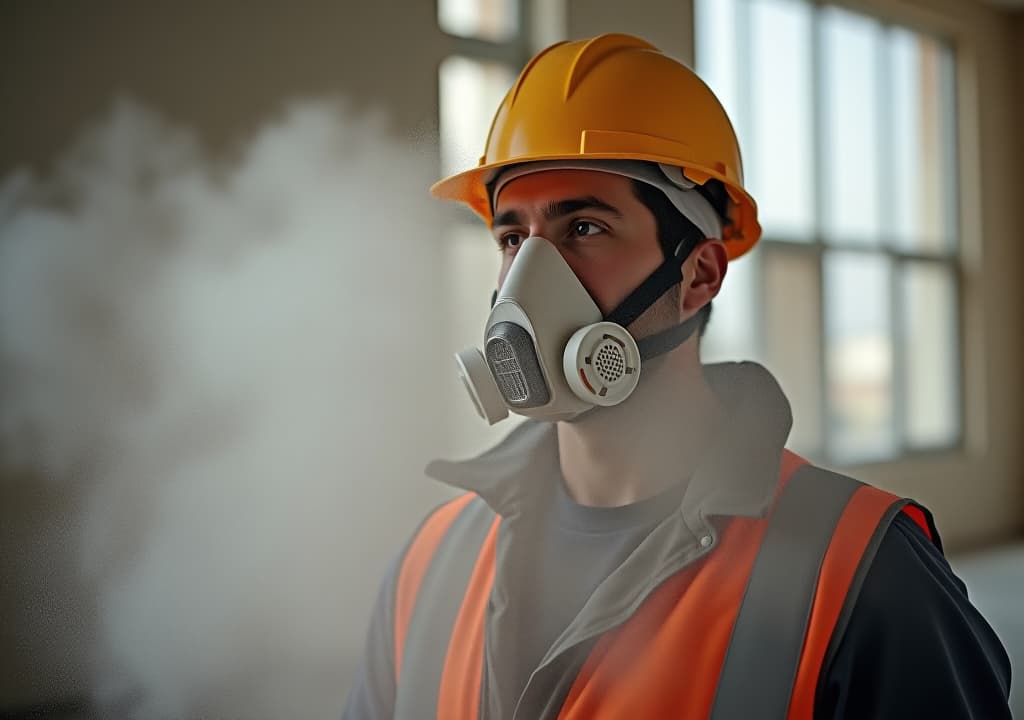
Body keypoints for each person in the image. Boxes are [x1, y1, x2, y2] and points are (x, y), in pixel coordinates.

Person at [342, 33, 1011, 719]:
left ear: (700, 273)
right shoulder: (429, 568)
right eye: (513, 239)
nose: (527, 280)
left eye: (585, 229)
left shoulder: (863, 575)